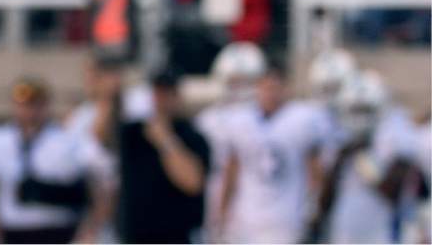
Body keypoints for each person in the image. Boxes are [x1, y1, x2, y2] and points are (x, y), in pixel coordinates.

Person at [0, 78, 111, 244]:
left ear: (46, 105)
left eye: (36, 104)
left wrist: (92, 229)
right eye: (24, 104)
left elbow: (100, 184)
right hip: (13, 230)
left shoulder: (68, 140)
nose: (30, 110)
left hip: (57, 229)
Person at [314, 70, 424, 243]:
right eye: (354, 110)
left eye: (365, 110)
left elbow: (394, 191)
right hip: (343, 234)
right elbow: (328, 195)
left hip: (383, 235)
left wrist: (364, 160)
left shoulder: (396, 136)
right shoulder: (343, 144)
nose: (359, 118)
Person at [218, 64, 324, 243]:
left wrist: (313, 206)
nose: (271, 94)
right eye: (267, 88)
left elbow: (314, 169)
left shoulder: (302, 119)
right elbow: (231, 170)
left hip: (286, 217)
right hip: (246, 216)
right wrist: (222, 210)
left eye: (276, 88)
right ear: (258, 89)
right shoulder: (240, 120)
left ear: (286, 89)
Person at [117, 69, 209, 243]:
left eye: (168, 93)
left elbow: (193, 182)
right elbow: (100, 139)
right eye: (157, 93)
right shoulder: (134, 132)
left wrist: (165, 141)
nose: (162, 99)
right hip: (135, 236)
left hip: (175, 236)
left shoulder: (192, 135)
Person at [196, 41, 265, 241]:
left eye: (245, 82)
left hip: (255, 201)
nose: (239, 89)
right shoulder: (207, 120)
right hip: (215, 199)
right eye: (234, 81)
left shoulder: (269, 121)